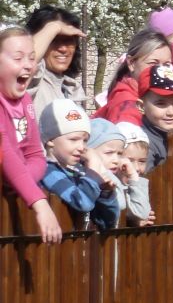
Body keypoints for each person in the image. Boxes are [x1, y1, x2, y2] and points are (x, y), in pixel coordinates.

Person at [0, 25, 63, 243]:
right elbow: (5, 153)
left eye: (32, 58)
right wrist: (39, 202)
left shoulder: (25, 100)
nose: (27, 65)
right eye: (18, 58)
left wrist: (20, 179)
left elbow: (36, 152)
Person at [39, 98, 121, 230]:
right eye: (74, 139)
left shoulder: (77, 173)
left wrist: (106, 194)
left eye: (84, 140)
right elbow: (82, 202)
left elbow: (107, 222)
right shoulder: (47, 171)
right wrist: (93, 168)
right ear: (50, 140)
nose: (81, 147)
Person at [95, 30, 170, 127]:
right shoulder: (126, 106)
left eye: (167, 65)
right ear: (131, 63)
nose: (161, 71)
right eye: (153, 63)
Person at [25, 5, 87, 117]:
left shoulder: (72, 88)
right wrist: (54, 27)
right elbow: (24, 60)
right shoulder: (29, 82)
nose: (63, 49)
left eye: (68, 41)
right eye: (54, 40)